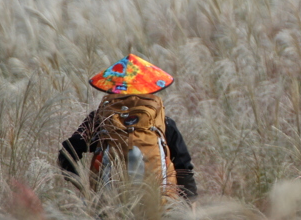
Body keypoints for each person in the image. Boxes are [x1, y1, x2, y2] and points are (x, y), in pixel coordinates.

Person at [58, 55, 198, 200]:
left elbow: (67, 153)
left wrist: (84, 188)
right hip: (157, 206)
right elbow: (184, 169)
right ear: (150, 88)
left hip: (109, 206)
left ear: (113, 88)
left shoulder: (99, 119)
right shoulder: (162, 121)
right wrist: (189, 207)